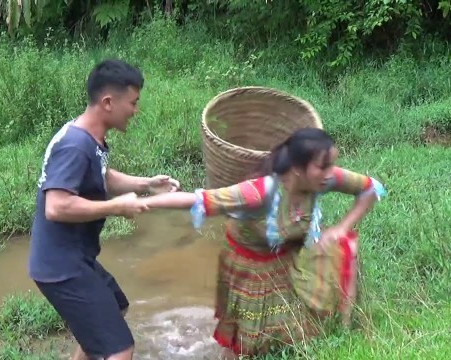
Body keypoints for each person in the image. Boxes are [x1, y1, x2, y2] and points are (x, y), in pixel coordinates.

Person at [140, 127, 386, 359]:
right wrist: (140, 203)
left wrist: (341, 228)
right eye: (324, 166)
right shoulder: (259, 193)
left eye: (332, 164)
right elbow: (199, 200)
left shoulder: (322, 179)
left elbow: (368, 189)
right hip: (248, 266)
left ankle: (340, 335)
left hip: (286, 258)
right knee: (244, 342)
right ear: (298, 169)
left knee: (292, 326)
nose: (331, 172)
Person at [28, 59, 180, 360]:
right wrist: (116, 207)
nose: (136, 111)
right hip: (61, 268)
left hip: (72, 259)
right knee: (120, 349)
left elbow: (102, 175)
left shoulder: (87, 136)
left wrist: (146, 183)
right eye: (133, 103)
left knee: (116, 306)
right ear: (108, 102)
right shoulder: (75, 145)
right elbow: (56, 207)